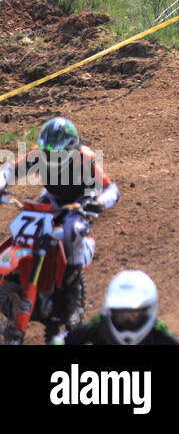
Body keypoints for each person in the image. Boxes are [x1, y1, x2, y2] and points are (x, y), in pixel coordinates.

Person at [0, 117, 119, 339]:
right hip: (53, 199)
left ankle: (73, 300)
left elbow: (111, 189)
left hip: (81, 203)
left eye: (55, 155)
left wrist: (99, 203)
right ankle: (16, 278)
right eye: (47, 154)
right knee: (24, 223)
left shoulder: (84, 160)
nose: (50, 158)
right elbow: (9, 171)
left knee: (71, 231)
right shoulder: (37, 155)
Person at [63, 270, 179, 345]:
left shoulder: (157, 330)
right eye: (120, 314)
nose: (127, 320)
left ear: (147, 312)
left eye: (133, 315)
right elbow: (62, 340)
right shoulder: (101, 324)